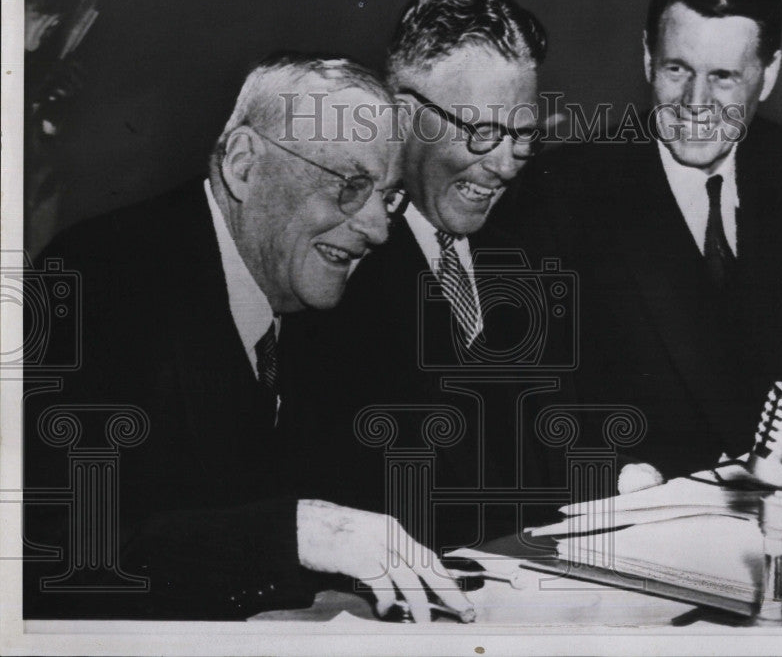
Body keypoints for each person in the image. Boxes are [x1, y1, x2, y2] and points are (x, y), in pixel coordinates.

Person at [23, 53, 473, 622]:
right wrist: (301, 532)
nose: (378, 229)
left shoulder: (331, 296)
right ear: (242, 164)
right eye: (351, 185)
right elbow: (53, 558)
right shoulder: (98, 279)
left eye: (387, 197)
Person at [501, 0, 782, 481]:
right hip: (639, 513)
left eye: (723, 76)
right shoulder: (563, 188)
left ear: (769, 75)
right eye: (677, 69)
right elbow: (533, 404)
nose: (696, 104)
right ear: (648, 58)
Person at [283, 0, 568, 552]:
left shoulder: (531, 250)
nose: (508, 166)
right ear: (406, 114)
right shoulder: (323, 263)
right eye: (485, 133)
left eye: (522, 136)